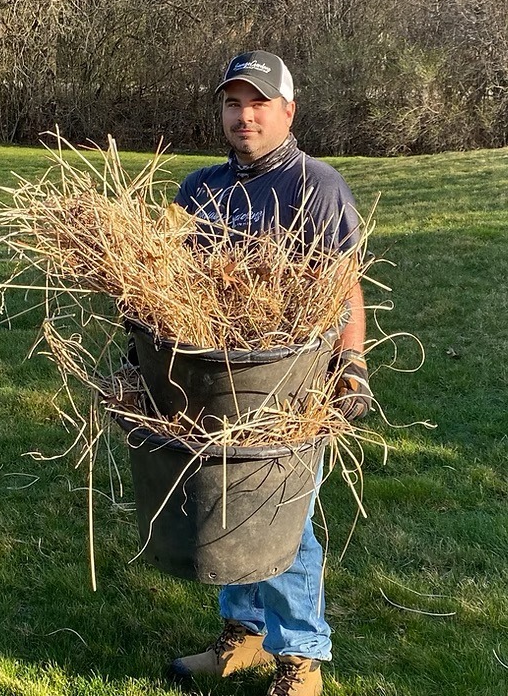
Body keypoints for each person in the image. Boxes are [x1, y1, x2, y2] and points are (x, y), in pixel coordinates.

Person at [169, 50, 372, 696]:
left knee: (283, 524)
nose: (244, 115)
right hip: (214, 388)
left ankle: (301, 659)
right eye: (232, 102)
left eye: (258, 102)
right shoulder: (199, 192)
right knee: (229, 512)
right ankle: (245, 634)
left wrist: (353, 364)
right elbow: (161, 293)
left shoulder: (317, 186)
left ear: (289, 110)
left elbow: (344, 287)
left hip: (292, 391)